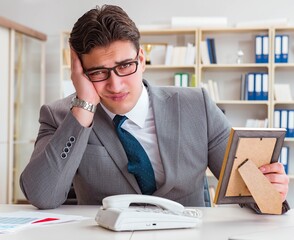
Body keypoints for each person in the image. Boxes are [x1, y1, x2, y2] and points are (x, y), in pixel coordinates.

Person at [20, 5, 290, 212]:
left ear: (141, 59)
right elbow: (43, 195)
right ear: (81, 73)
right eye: (99, 72)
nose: (115, 85)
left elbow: (246, 191)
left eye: (125, 66)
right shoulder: (60, 116)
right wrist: (84, 107)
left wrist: (269, 189)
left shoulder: (197, 106)